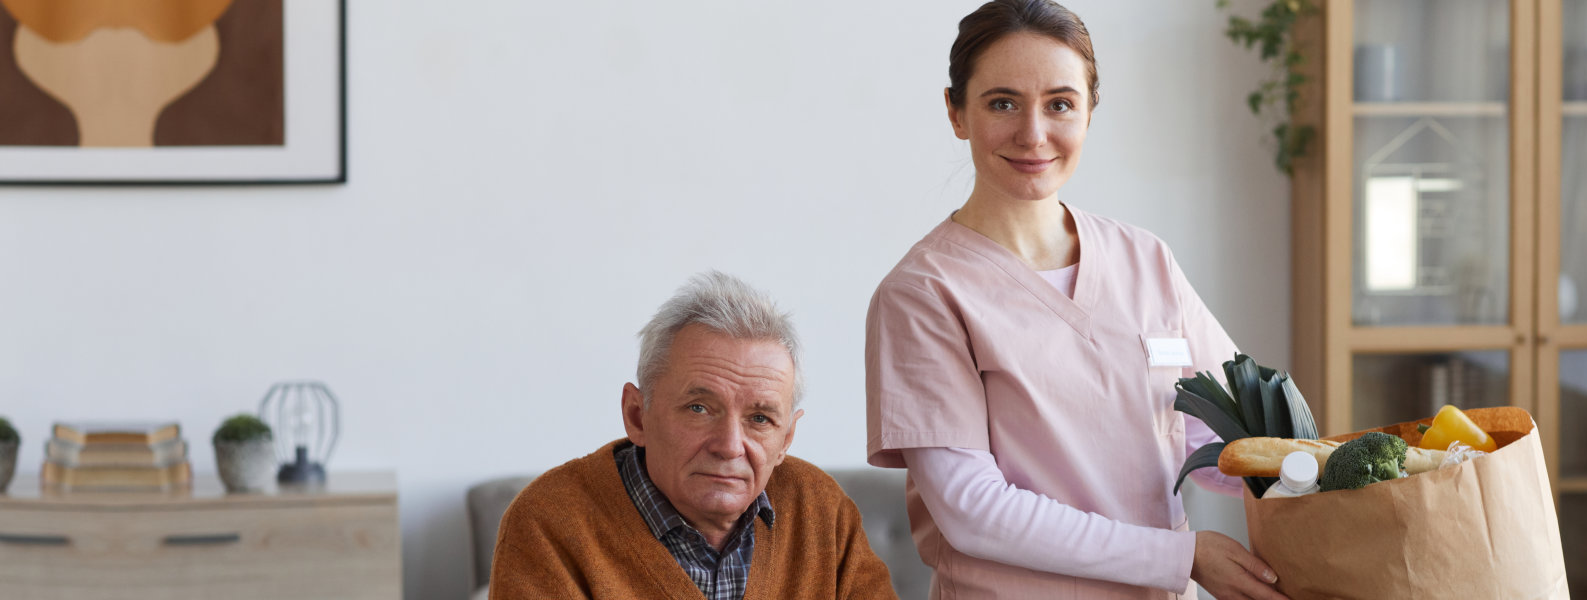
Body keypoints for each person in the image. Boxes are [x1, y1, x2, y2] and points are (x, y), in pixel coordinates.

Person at [863, 1, 1293, 599]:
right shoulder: (923, 294)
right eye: (1002, 103)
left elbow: (1236, 445)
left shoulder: (1146, 260)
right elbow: (972, 511)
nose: (1033, 134)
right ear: (956, 112)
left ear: (1089, 110)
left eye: (1059, 104)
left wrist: (1335, 475)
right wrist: (1182, 556)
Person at [494, 271, 897, 600]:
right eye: (699, 409)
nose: (729, 446)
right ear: (637, 415)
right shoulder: (549, 523)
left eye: (759, 418)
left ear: (786, 440)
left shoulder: (822, 511)